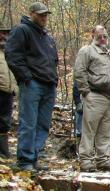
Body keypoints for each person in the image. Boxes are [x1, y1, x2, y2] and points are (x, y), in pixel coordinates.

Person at [5, 2, 58, 171]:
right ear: (32, 13)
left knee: (43, 124)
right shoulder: (22, 30)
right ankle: (25, 160)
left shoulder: (47, 37)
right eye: (41, 14)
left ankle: (35, 157)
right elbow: (12, 54)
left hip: (49, 84)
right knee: (28, 122)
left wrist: (55, 79)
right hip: (32, 83)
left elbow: (53, 60)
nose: (44, 17)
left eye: (46, 14)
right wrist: (26, 77)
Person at [74, 25, 110, 172]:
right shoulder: (87, 51)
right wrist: (86, 92)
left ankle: (102, 160)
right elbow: (79, 71)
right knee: (89, 130)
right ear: (92, 35)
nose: (102, 39)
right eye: (99, 36)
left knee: (106, 132)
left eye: (105, 36)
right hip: (95, 95)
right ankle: (86, 161)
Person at [0, 24, 17, 158]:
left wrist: (15, 89)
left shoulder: (9, 52)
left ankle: (4, 152)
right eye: (1, 33)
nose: (3, 36)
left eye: (6, 33)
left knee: (5, 122)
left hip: (8, 91)